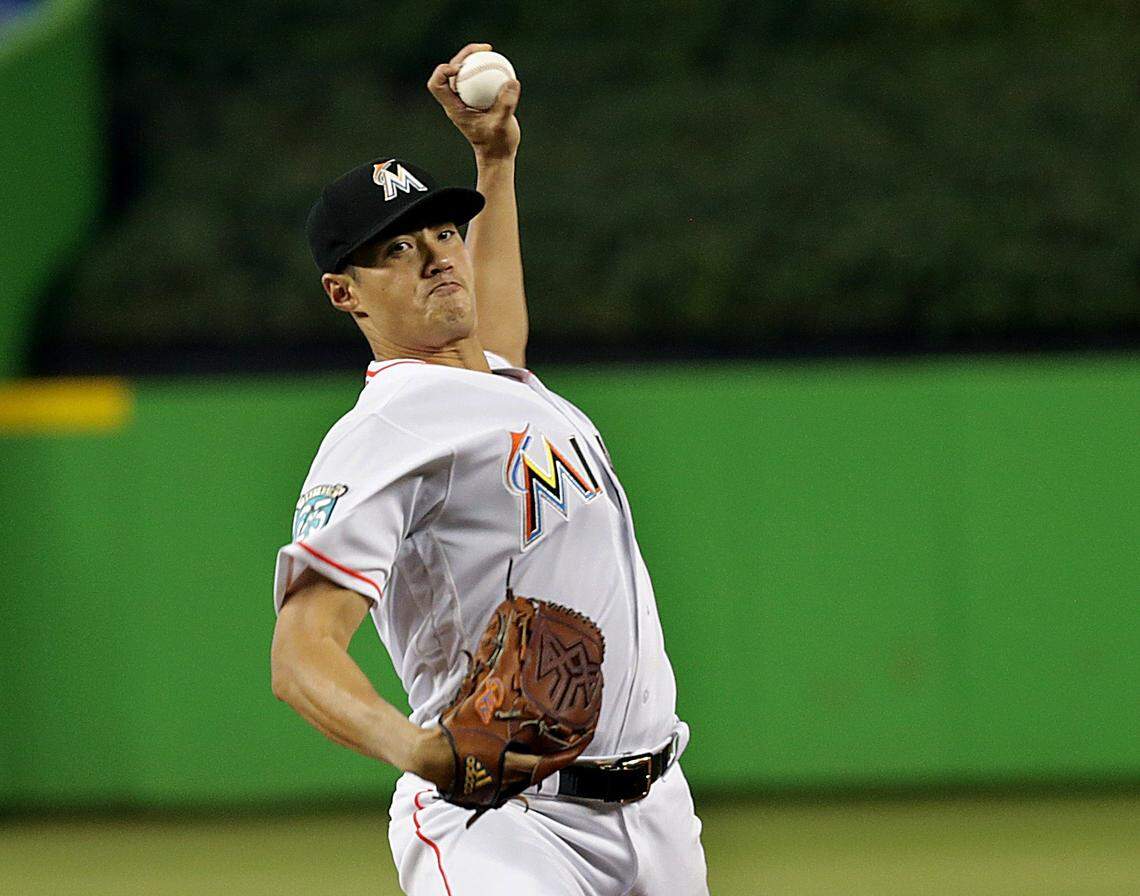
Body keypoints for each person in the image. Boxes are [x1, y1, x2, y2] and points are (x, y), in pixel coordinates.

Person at [270, 43, 709, 896]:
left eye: (441, 230)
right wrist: (418, 748)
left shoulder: (505, 384)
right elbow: (299, 654)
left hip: (659, 812)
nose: (438, 255)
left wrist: (494, 159)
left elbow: (497, 323)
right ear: (344, 292)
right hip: (508, 829)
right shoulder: (388, 425)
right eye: (396, 248)